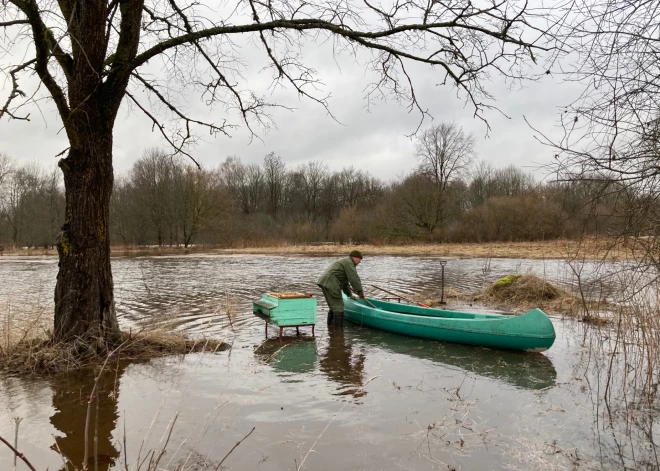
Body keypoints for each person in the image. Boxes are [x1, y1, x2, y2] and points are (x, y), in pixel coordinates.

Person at [317, 250, 365, 327]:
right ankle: (338, 332)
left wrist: (349, 294)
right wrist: (360, 292)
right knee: (338, 306)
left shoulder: (346, 262)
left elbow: (345, 283)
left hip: (324, 282)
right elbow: (354, 279)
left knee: (333, 306)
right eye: (360, 259)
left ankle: (331, 329)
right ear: (355, 257)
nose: (360, 262)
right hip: (331, 283)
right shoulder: (349, 263)